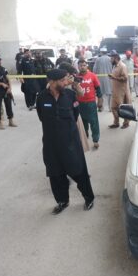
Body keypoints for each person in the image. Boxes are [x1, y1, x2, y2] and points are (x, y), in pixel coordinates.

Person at [36, 69, 96, 215]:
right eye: (62, 80)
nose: (65, 82)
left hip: (71, 142)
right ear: (51, 82)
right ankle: (62, 201)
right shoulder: (41, 97)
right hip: (51, 143)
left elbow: (75, 115)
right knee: (55, 174)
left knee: (79, 171)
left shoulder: (70, 95)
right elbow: (41, 117)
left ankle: (89, 198)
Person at [76, 59, 101, 149]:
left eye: (84, 65)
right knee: (83, 123)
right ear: (78, 66)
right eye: (80, 65)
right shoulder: (76, 77)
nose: (82, 67)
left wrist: (100, 99)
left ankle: (95, 140)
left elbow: (98, 88)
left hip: (91, 103)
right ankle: (85, 137)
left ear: (87, 66)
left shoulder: (92, 76)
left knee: (94, 122)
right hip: (80, 104)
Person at [109, 52, 132, 129]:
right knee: (113, 107)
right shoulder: (115, 66)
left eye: (111, 58)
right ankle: (116, 123)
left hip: (122, 92)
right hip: (115, 91)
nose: (110, 60)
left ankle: (126, 123)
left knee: (123, 108)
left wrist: (114, 77)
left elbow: (125, 78)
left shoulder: (122, 66)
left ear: (115, 58)